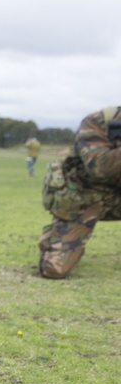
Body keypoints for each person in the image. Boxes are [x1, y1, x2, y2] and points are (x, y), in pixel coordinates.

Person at [38, 107, 121, 278]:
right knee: (55, 269)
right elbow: (99, 168)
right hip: (86, 198)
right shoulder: (99, 121)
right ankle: (54, 239)